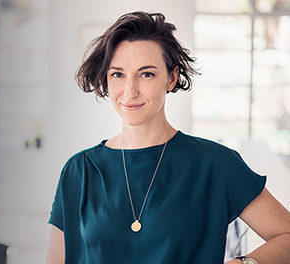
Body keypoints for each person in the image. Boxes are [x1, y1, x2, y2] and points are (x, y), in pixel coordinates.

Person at [46, 11, 290, 264]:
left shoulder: (215, 164)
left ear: (171, 78)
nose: (130, 91)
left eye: (146, 74)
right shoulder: (80, 170)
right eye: (118, 74)